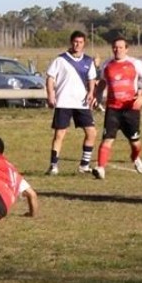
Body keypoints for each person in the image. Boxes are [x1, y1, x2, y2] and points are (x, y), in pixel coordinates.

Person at [91, 36, 142, 179]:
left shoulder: (135, 63)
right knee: (107, 139)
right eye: (115, 47)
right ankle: (100, 168)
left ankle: (135, 157)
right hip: (113, 109)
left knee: (135, 143)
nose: (117, 50)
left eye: (120, 47)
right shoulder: (107, 65)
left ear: (126, 49)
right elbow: (102, 83)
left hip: (130, 109)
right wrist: (98, 97)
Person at [45, 30, 98, 175]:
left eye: (80, 42)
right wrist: (51, 94)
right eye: (75, 42)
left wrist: (91, 92)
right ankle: (53, 165)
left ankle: (84, 165)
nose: (77, 45)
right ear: (71, 42)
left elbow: (91, 78)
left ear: (84, 44)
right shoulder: (60, 60)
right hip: (64, 102)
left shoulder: (88, 61)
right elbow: (50, 78)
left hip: (81, 103)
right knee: (60, 134)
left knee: (92, 133)